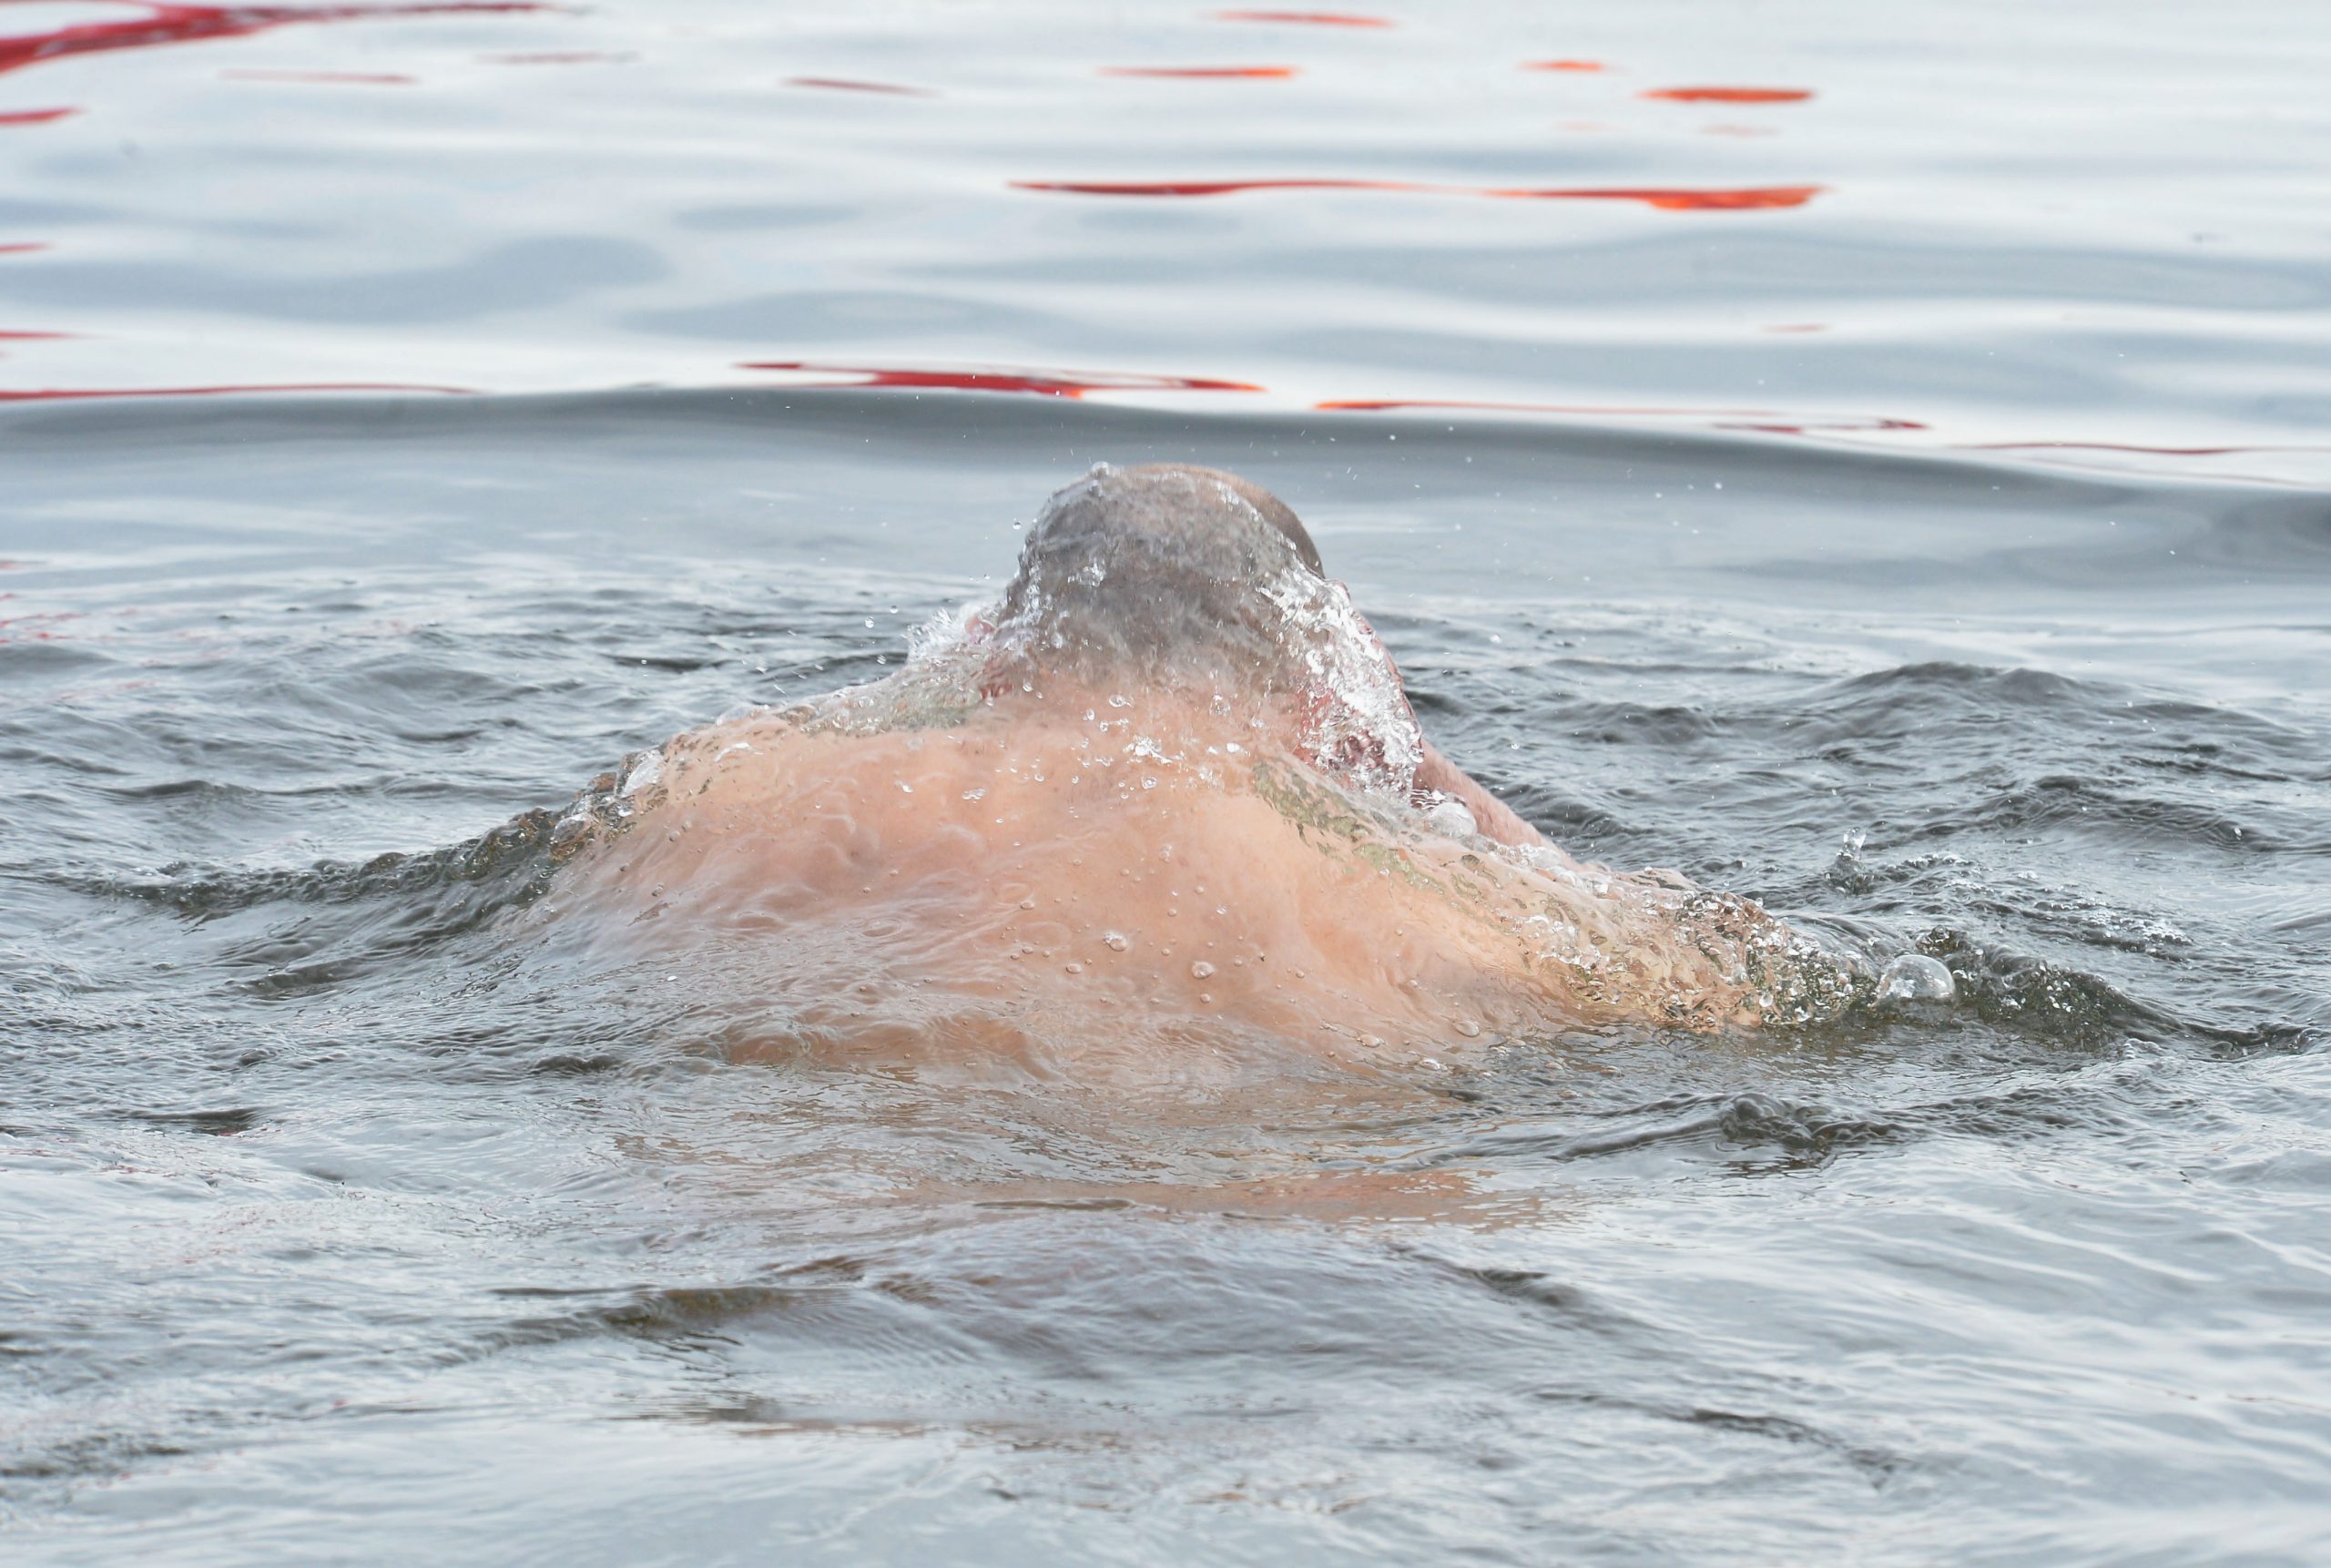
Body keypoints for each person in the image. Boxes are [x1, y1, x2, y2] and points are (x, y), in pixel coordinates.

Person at [522, 463, 1867, 1060]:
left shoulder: (711, 789)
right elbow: (1741, 1003)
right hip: (1236, 1239)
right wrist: (1416, 767)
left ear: (996, 650)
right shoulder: (1417, 894)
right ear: (1322, 688)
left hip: (764, 1216)